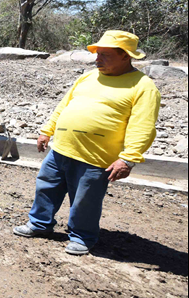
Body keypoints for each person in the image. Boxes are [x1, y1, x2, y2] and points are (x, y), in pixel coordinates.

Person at [13, 30, 161, 256]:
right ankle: (39, 224)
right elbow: (64, 105)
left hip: (95, 158)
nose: (97, 59)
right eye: (97, 53)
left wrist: (128, 159)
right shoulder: (88, 77)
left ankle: (82, 236)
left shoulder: (142, 86)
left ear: (125, 56)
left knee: (85, 200)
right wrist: (46, 131)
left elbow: (143, 126)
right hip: (61, 150)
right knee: (46, 188)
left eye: (104, 55)